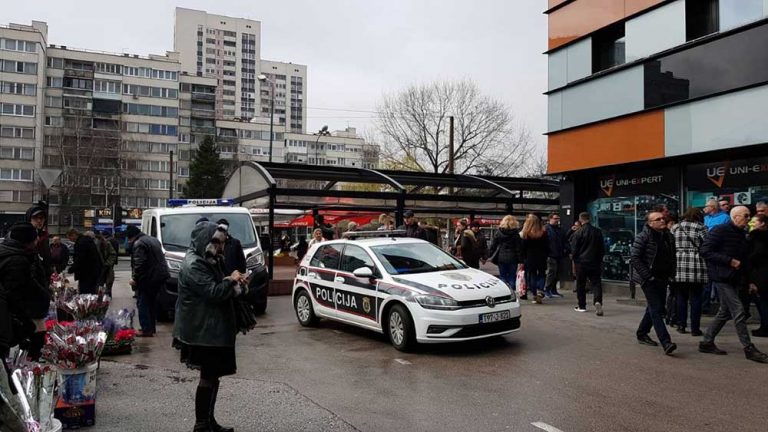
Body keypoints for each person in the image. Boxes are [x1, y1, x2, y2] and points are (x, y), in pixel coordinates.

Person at [173, 222, 248, 432]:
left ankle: (209, 421)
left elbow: (216, 285)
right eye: (219, 243)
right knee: (207, 376)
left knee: (213, 375)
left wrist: (234, 281)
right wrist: (232, 281)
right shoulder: (194, 263)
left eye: (223, 243)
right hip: (202, 331)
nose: (222, 248)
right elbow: (213, 292)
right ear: (206, 241)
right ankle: (201, 425)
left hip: (210, 329)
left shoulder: (208, 258)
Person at [699, 206, 768, 363]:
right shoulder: (720, 230)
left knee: (725, 312)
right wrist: (728, 261)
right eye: (745, 216)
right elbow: (705, 251)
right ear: (735, 216)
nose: (748, 219)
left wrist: (750, 280)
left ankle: (706, 342)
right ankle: (748, 348)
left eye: (749, 216)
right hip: (721, 277)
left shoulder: (743, 235)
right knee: (738, 310)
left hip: (735, 278)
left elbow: (745, 261)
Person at [0, 223, 50, 360]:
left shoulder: (12, 252)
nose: (37, 241)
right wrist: (26, 322)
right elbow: (15, 295)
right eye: (35, 238)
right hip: (16, 316)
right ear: (29, 241)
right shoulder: (16, 260)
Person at [630, 211, 678, 355]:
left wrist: (672, 274)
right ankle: (666, 342)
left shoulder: (668, 236)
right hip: (648, 279)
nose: (662, 220)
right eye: (658, 219)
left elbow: (672, 257)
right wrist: (647, 276)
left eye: (663, 218)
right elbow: (635, 257)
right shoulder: (644, 236)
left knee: (654, 307)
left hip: (663, 277)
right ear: (650, 223)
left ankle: (642, 332)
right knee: (657, 309)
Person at [127, 225, 170, 338]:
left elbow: (139, 264)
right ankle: (151, 327)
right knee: (151, 302)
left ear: (131, 237)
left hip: (149, 277)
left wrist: (135, 279)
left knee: (142, 302)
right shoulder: (153, 239)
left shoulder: (139, 244)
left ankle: (146, 329)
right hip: (160, 275)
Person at [672, 207, 708, 336]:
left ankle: (681, 325)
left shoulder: (676, 227)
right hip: (696, 264)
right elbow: (707, 244)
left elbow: (671, 244)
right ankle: (695, 328)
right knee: (696, 298)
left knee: (680, 297)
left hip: (678, 263)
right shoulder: (701, 227)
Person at [570, 212, 605, 315]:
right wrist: (599, 260)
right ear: (590, 218)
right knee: (596, 283)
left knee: (581, 284)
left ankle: (582, 305)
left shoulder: (578, 232)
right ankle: (597, 301)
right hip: (594, 262)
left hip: (581, 262)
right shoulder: (598, 232)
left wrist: (574, 259)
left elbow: (574, 249)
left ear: (581, 220)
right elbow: (601, 249)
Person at [489, 215, 522, 298]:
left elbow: (493, 245)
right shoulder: (515, 234)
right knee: (512, 276)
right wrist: (521, 260)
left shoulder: (498, 232)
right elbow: (518, 248)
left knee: (503, 275)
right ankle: (512, 293)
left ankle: (504, 293)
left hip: (501, 256)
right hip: (513, 257)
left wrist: (489, 255)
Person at [747, 214, 768, 337]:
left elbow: (757, 253)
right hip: (763, 271)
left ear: (762, 223)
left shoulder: (757, 237)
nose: (751, 224)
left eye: (754, 222)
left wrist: (748, 260)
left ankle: (765, 326)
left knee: (763, 301)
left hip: (761, 273)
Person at [521, 214, 548, 304]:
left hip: (530, 257)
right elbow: (547, 245)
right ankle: (540, 291)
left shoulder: (526, 233)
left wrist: (523, 258)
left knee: (532, 275)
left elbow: (523, 247)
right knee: (542, 274)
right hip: (541, 256)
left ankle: (534, 294)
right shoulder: (543, 232)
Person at [67, 228, 104, 294]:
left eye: (70, 237)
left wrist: (72, 269)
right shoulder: (87, 240)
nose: (70, 240)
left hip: (86, 273)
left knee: (85, 293)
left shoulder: (81, 243)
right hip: (93, 271)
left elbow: (80, 259)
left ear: (74, 235)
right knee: (92, 291)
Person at [544, 213, 569, 298]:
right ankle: (547, 289)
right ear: (550, 219)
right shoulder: (546, 229)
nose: (557, 220)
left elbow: (565, 240)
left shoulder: (560, 230)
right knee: (551, 272)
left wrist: (566, 250)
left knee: (557, 273)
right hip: (550, 254)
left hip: (559, 254)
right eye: (555, 218)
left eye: (558, 218)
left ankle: (553, 290)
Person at [26, 203, 52, 276]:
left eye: (41, 218)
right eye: (35, 217)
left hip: (43, 278)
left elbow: (47, 258)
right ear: (29, 218)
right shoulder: (22, 235)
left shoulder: (44, 236)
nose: (39, 221)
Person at [96, 231, 118, 296]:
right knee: (102, 282)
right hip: (100, 266)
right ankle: (103, 296)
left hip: (105, 266)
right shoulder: (106, 242)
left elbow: (113, 254)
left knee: (107, 281)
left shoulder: (106, 243)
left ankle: (105, 296)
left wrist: (107, 264)